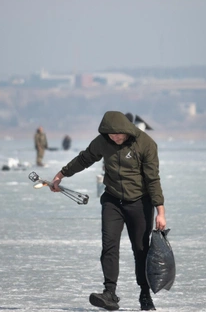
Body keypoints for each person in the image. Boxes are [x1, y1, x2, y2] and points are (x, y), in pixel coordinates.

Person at [50, 111, 166, 311]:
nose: (115, 138)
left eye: (118, 134)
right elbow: (84, 158)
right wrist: (61, 175)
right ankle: (109, 293)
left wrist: (160, 211)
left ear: (127, 130)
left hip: (139, 202)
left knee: (141, 250)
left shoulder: (146, 144)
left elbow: (153, 180)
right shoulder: (103, 141)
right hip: (112, 201)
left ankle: (145, 294)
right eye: (111, 135)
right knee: (109, 246)